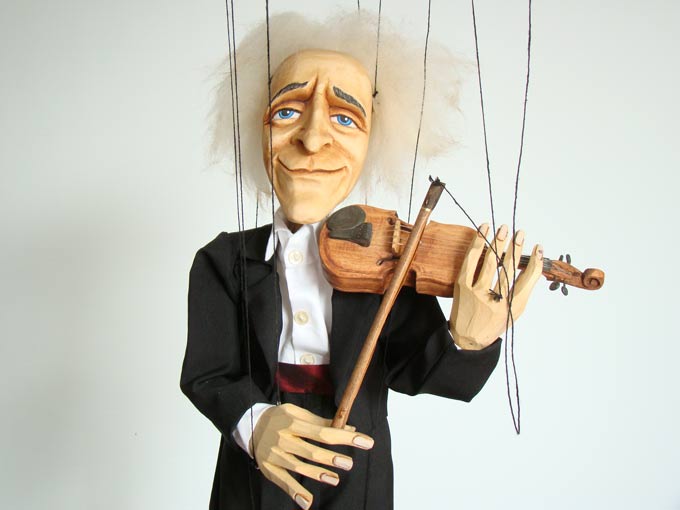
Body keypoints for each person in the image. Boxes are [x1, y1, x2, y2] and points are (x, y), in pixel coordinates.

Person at [181, 12, 542, 510]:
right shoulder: (222, 260)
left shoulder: (386, 262)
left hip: (357, 478)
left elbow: (428, 374)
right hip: (254, 471)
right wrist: (255, 422)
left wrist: (470, 338)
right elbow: (207, 374)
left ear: (374, 142)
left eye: (345, 118)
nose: (311, 139)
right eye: (287, 111)